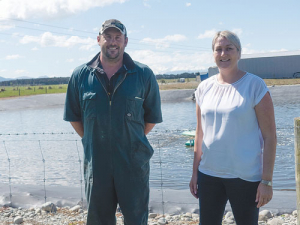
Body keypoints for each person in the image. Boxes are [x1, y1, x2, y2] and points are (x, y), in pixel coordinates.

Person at [64, 19, 162, 225]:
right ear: (98, 39)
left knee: (136, 219)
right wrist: (95, 139)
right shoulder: (80, 75)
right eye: (108, 36)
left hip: (133, 164)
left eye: (117, 37)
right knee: (98, 220)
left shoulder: (143, 74)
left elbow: (151, 118)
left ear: (126, 41)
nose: (113, 42)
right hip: (96, 164)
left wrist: (130, 139)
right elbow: (74, 117)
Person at [189, 31, 277, 225]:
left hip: (245, 176)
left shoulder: (255, 86)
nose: (223, 53)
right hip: (209, 174)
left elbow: (270, 137)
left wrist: (267, 181)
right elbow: (199, 134)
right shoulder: (203, 88)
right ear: (213, 54)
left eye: (229, 48)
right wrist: (195, 173)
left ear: (239, 52)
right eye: (218, 49)